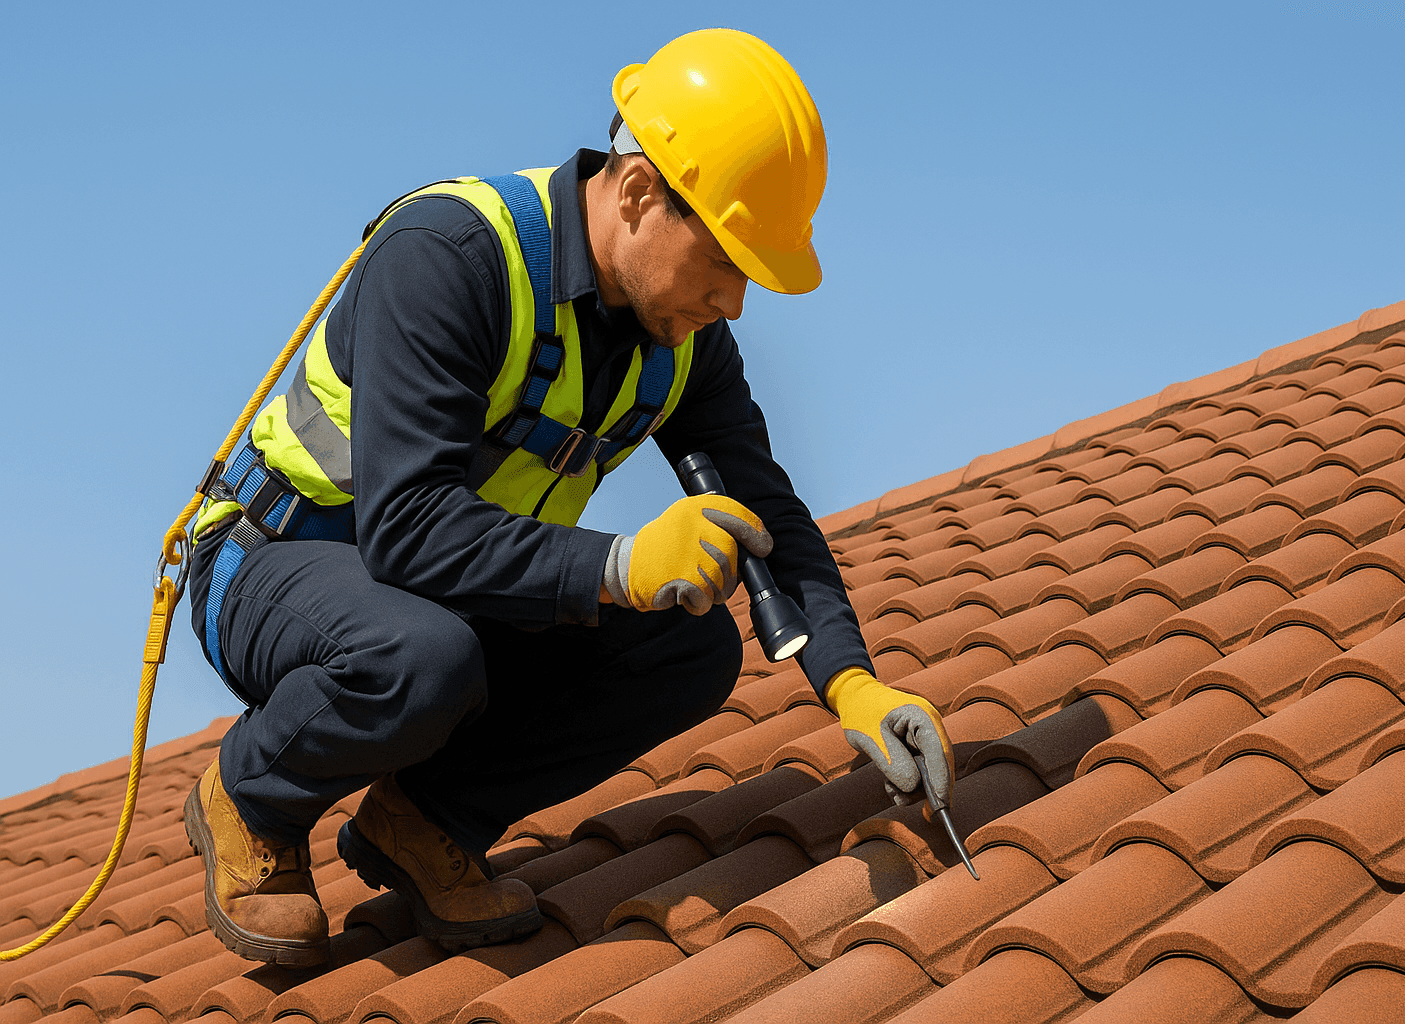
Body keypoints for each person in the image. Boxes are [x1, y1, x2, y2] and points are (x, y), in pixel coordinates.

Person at [181, 28, 955, 968]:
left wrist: (849, 677)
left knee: (689, 643)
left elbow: (769, 514)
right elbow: (405, 528)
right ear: (636, 195)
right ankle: (253, 793)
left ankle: (424, 822)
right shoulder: (451, 256)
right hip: (268, 560)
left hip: (428, 588)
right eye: (726, 261)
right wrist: (621, 564)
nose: (737, 302)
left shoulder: (683, 344)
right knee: (424, 656)